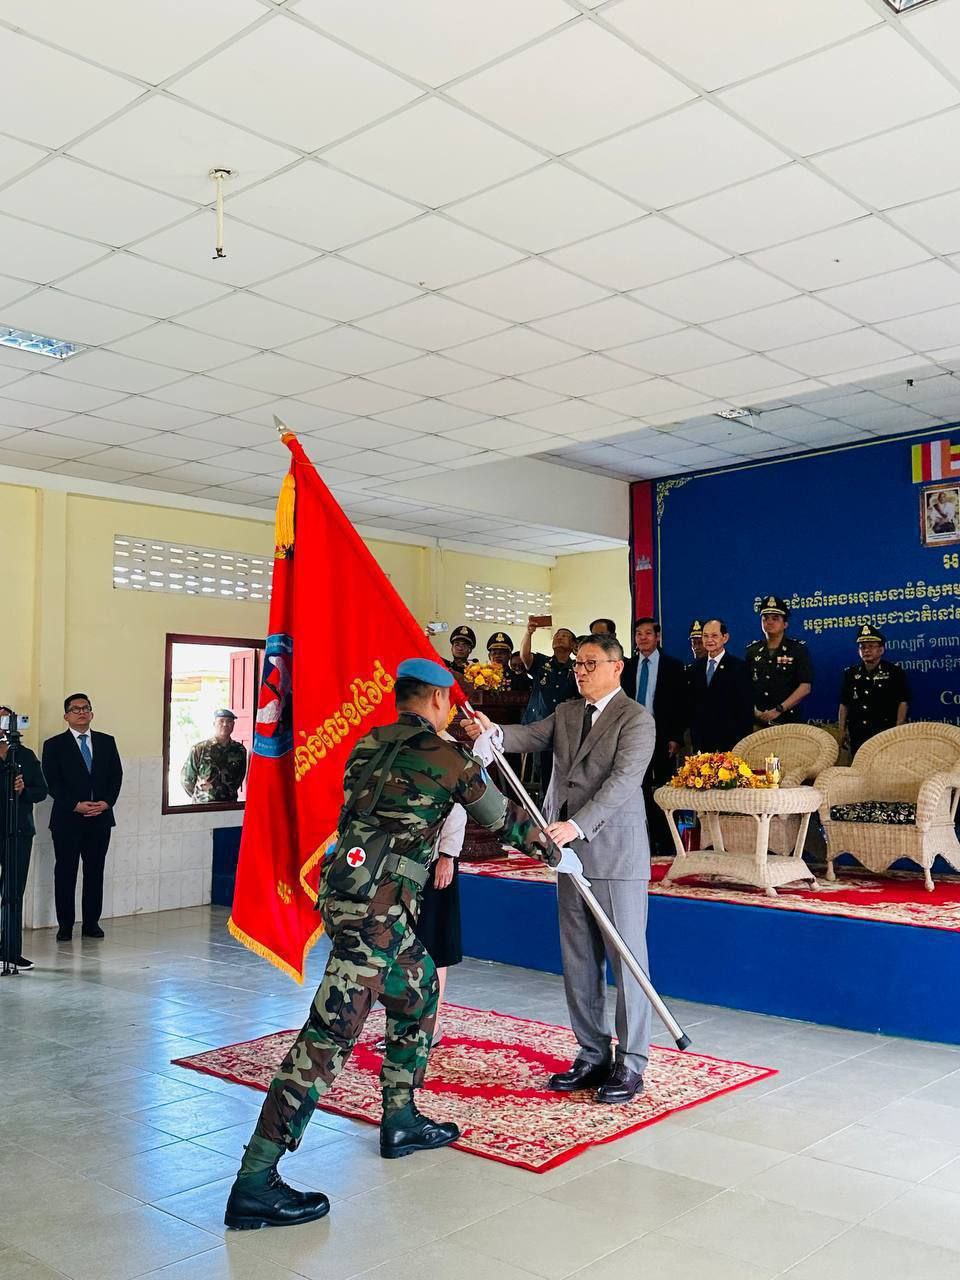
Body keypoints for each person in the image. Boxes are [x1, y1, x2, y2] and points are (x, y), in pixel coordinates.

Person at [224, 657, 558, 1232]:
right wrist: (554, 851)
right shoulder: (447, 758)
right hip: (376, 915)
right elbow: (501, 818)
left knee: (419, 988)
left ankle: (400, 1118)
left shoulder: (367, 745)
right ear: (437, 699)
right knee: (327, 1037)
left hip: (351, 898)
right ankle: (255, 1179)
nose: (451, 710)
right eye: (449, 701)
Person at [468, 633, 655, 1104]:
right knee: (579, 959)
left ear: (616, 666)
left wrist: (577, 824)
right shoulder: (568, 711)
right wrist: (493, 732)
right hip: (567, 854)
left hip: (613, 852)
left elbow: (621, 783)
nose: (581, 671)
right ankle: (592, 1053)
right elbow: (530, 736)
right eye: (577, 664)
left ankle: (632, 1062)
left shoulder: (636, 718)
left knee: (626, 961)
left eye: (590, 663)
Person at [42, 694, 123, 942]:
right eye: (75, 709)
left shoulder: (106, 742)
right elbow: (51, 782)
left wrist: (106, 803)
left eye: (85, 708)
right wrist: (75, 805)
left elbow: (116, 776)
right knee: (66, 872)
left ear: (92, 713)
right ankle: (65, 925)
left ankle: (91, 923)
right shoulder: (54, 745)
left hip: (100, 818)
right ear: (66, 716)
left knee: (95, 871)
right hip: (67, 820)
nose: (81, 712)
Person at [621, 619, 687, 855]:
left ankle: (667, 843)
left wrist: (675, 737)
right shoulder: (627, 667)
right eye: (638, 634)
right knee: (636, 788)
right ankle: (643, 840)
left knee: (664, 790)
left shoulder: (673, 666)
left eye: (648, 633)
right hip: (632, 736)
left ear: (657, 637)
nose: (643, 638)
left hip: (662, 736)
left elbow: (680, 704)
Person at [0, 707, 47, 970]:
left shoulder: (24, 756)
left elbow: (42, 791)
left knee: (13, 893)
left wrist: (23, 790)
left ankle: (9, 951)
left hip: (18, 832)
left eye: (7, 719)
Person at [520, 621, 578, 793]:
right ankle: (542, 803)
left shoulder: (577, 668)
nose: (559, 638)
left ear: (573, 645)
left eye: (565, 636)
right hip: (538, 724)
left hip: (565, 729)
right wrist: (529, 633)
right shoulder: (542, 662)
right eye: (557, 635)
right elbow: (525, 656)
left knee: (562, 772)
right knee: (541, 771)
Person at [839, 625, 910, 758]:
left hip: (884, 731)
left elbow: (903, 702)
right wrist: (842, 730)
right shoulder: (851, 673)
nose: (866, 650)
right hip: (858, 733)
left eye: (871, 646)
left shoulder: (894, 672)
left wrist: (898, 727)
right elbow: (844, 704)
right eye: (862, 647)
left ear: (881, 650)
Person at [746, 596, 813, 727]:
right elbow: (745, 686)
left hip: (787, 720)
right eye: (765, 618)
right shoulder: (752, 651)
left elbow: (805, 687)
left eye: (775, 618)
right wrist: (754, 710)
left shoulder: (797, 649)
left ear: (785, 624)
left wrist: (779, 709)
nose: (769, 622)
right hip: (758, 721)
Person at [687, 620, 753, 753]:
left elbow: (745, 709)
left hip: (730, 743)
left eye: (714, 636)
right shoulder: (695, 668)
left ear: (725, 637)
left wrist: (742, 741)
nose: (709, 640)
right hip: (701, 743)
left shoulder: (738, 667)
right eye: (705, 636)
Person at [180, 710, 248, 803]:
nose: (225, 724)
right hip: (203, 805)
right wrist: (202, 795)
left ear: (233, 725)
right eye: (221, 721)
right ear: (214, 724)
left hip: (229, 804)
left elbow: (239, 777)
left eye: (229, 721)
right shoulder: (200, 749)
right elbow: (187, 779)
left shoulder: (239, 750)